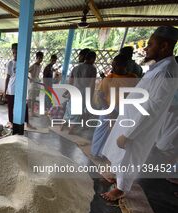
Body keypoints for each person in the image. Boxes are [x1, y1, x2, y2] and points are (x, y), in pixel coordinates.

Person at [101, 26, 178, 201]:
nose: (146, 48)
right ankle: (117, 177)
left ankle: (121, 189)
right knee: (121, 154)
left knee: (128, 156)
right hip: (131, 119)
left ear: (164, 46)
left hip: (137, 126)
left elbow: (152, 108)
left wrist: (128, 134)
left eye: (150, 45)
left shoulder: (166, 73)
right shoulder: (160, 68)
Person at [91, 54, 138, 158]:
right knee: (102, 131)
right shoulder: (109, 78)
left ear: (125, 66)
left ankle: (106, 154)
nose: (114, 67)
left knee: (115, 133)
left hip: (124, 109)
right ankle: (96, 153)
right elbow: (100, 95)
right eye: (113, 65)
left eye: (117, 65)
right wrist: (109, 110)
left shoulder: (132, 78)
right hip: (108, 107)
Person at [64, 51, 97, 134]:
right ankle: (71, 130)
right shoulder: (92, 69)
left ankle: (62, 126)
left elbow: (70, 81)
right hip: (82, 94)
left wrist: (67, 91)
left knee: (69, 110)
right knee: (77, 113)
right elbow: (92, 84)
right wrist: (90, 97)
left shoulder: (76, 67)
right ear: (93, 59)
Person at [4, 43, 31, 129]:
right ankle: (11, 122)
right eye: (14, 52)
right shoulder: (10, 63)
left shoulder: (23, 63)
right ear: (12, 52)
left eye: (17, 52)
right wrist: (5, 91)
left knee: (24, 106)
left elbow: (24, 74)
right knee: (10, 107)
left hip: (20, 89)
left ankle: (27, 122)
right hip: (11, 89)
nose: (15, 54)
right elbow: (7, 77)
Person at [28, 51, 44, 117]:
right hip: (33, 84)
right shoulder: (33, 66)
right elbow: (26, 71)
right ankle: (30, 112)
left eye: (42, 58)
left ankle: (31, 112)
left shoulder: (40, 66)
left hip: (37, 83)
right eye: (40, 58)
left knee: (34, 98)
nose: (41, 60)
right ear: (36, 58)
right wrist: (30, 78)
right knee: (31, 98)